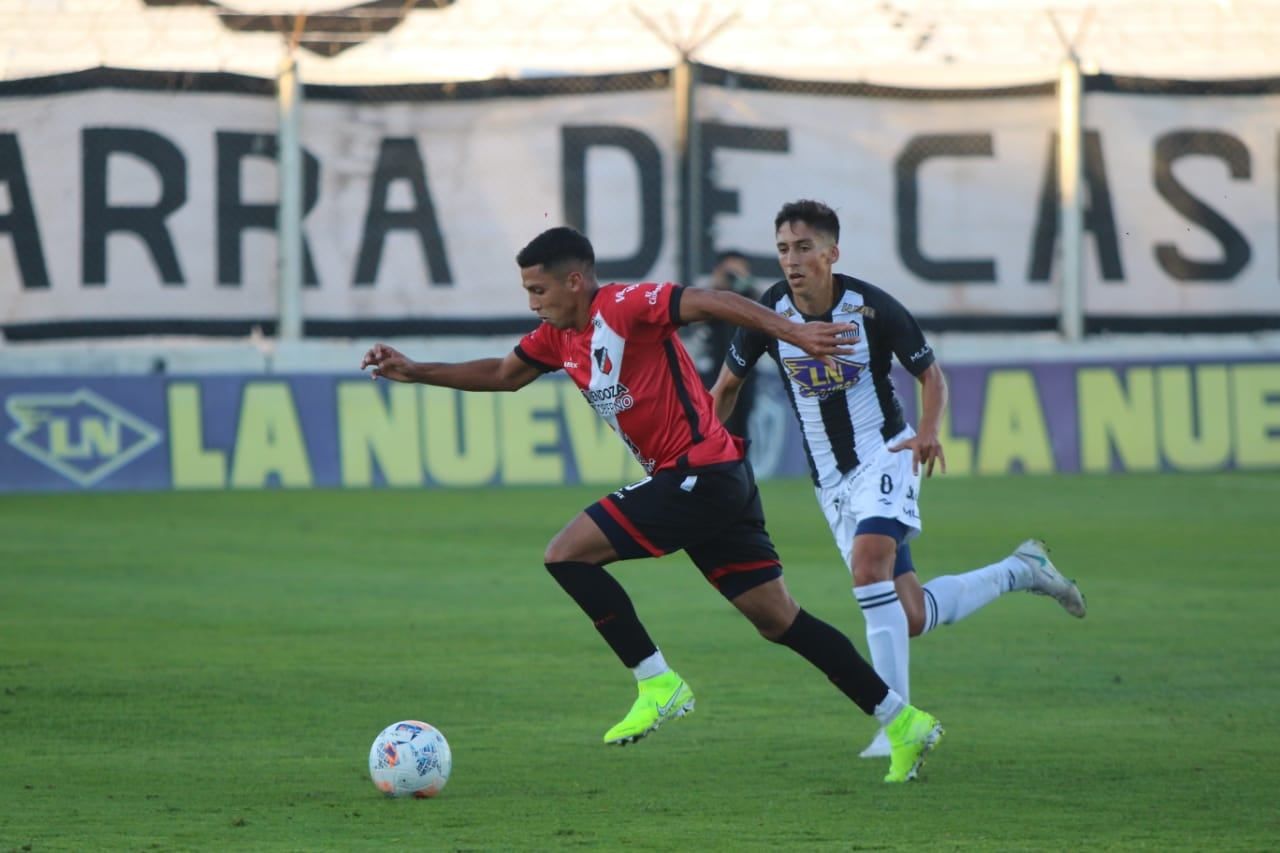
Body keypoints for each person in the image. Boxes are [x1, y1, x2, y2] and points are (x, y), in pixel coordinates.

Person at [361, 225, 943, 782]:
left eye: (538, 290)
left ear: (574, 282)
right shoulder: (556, 336)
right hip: (715, 479)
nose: (533, 303)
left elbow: (714, 301)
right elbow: (503, 373)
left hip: (701, 473)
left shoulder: (626, 305)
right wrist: (414, 371)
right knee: (779, 619)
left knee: (566, 555)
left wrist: (792, 333)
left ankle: (657, 682)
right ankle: (903, 719)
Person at [711, 200, 1086, 758]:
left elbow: (930, 374)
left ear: (832, 253)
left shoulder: (872, 308)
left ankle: (897, 728)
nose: (792, 260)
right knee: (909, 615)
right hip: (832, 483)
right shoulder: (772, 312)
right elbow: (724, 390)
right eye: (784, 249)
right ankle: (1020, 570)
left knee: (869, 565)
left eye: (804, 248)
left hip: (887, 454)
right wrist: (698, 461)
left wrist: (929, 430)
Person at [681, 250, 760, 439]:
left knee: (741, 427)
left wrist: (745, 284)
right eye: (728, 271)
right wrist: (716, 289)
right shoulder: (706, 297)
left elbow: (766, 317)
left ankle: (739, 465)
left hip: (744, 373)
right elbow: (691, 326)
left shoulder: (751, 296)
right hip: (711, 371)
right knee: (711, 424)